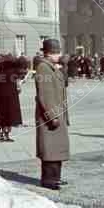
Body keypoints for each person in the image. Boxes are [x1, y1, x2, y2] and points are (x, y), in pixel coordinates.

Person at [34, 39, 69, 190]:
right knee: (50, 149)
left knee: (56, 148)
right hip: (50, 116)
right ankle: (49, 180)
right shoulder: (43, 68)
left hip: (57, 113)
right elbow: (45, 95)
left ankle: (55, 177)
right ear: (50, 53)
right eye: (58, 52)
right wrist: (52, 116)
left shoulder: (52, 67)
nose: (60, 55)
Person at [0, 57, 23, 141]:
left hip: (1, 95)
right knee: (10, 116)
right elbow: (19, 79)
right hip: (11, 95)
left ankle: (0, 134)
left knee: (1, 115)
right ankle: (7, 135)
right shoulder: (13, 69)